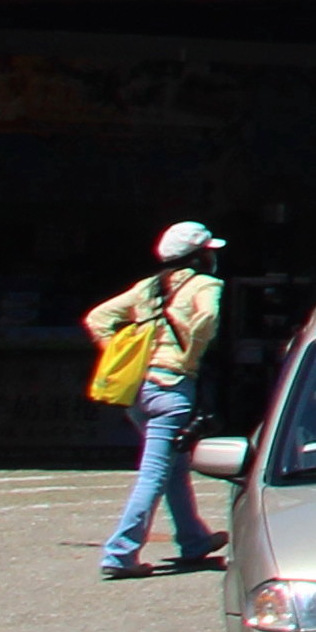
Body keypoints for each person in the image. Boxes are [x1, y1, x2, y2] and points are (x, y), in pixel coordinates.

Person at [85, 222, 227, 581]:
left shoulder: (147, 287)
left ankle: (194, 541)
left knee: (174, 469)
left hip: (139, 390)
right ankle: (121, 552)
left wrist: (118, 352)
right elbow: (207, 317)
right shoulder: (205, 285)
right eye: (209, 251)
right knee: (154, 473)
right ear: (198, 256)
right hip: (172, 388)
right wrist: (191, 356)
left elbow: (98, 318)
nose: (213, 257)